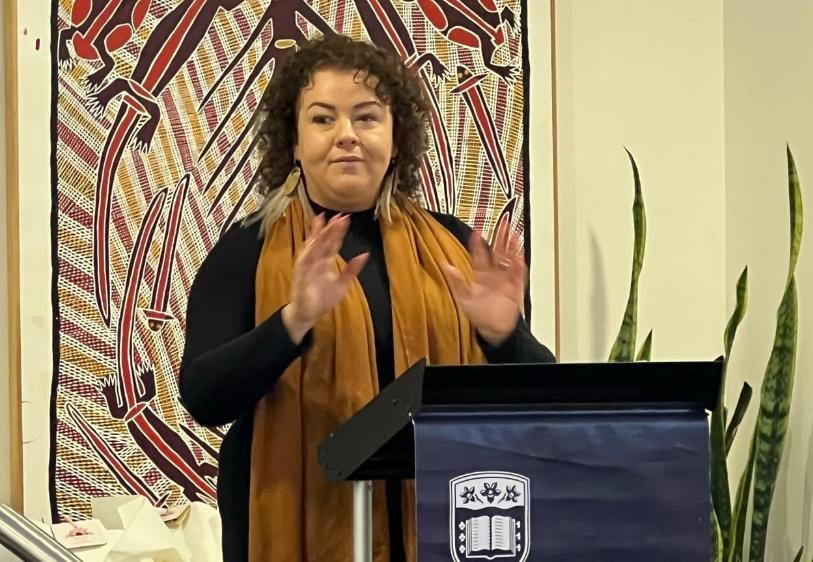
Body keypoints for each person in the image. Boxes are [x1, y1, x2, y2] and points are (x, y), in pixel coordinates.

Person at [178, 33, 555, 562]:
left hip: (440, 532)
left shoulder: (453, 249)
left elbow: (541, 399)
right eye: (323, 118)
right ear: (293, 140)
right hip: (289, 530)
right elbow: (203, 397)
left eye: (367, 117)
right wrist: (292, 322)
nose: (346, 135)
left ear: (397, 137)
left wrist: (503, 335)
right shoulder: (248, 253)